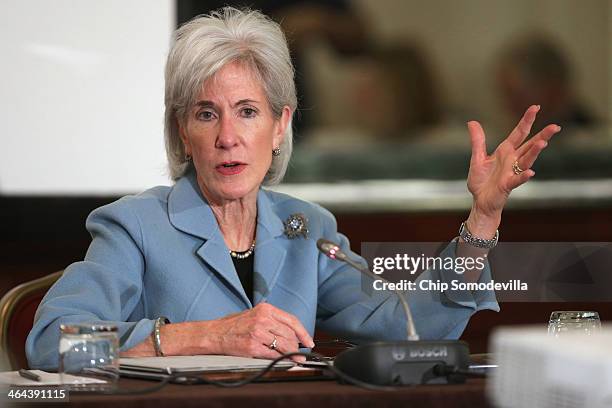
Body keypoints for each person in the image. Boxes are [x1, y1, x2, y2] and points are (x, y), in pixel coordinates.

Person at [26, 7, 559, 370]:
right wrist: (205, 336)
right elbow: (54, 343)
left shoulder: (307, 229)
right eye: (206, 114)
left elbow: (409, 323)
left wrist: (482, 219)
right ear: (182, 134)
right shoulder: (136, 227)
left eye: (248, 112)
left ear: (280, 126)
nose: (228, 137)